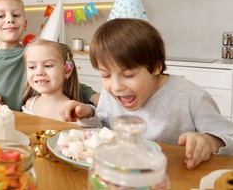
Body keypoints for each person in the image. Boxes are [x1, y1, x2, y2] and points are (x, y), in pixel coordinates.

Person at [61, 18, 233, 170]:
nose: (115, 87)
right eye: (105, 75)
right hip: (120, 176)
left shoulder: (191, 97)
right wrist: (89, 114)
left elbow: (229, 136)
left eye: (128, 75)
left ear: (156, 67)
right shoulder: (110, 93)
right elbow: (104, 130)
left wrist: (209, 142)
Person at [21, 38, 80, 121]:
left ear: (68, 70)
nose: (39, 72)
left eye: (48, 66)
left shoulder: (71, 113)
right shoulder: (30, 104)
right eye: (32, 67)